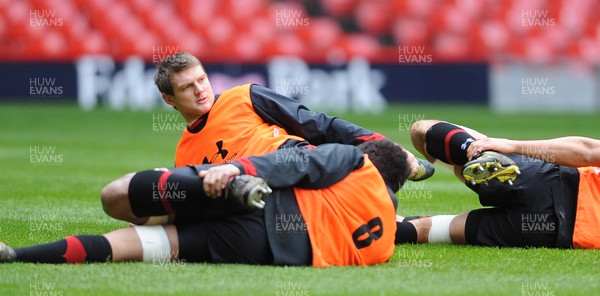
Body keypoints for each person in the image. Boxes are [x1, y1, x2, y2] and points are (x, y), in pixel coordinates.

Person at [101, 51, 434, 225]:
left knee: (361, 200)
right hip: (260, 200)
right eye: (188, 87)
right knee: (364, 216)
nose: (201, 90)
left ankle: (396, 165)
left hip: (294, 161)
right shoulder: (184, 155)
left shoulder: (243, 96)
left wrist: (383, 146)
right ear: (169, 99)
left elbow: (316, 124)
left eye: (201, 79)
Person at [1, 139, 412, 267]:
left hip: (263, 200)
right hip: (264, 250)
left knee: (123, 192)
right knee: (147, 246)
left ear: (373, 157)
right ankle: (17, 256)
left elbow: (298, 160)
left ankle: (209, 185)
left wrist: (237, 167)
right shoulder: (387, 242)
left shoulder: (356, 161)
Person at [394, 119, 600, 249]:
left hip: (552, 181)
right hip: (552, 231)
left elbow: (588, 151)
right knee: (421, 231)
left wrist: (512, 145)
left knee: (422, 130)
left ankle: (480, 154)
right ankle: (374, 223)